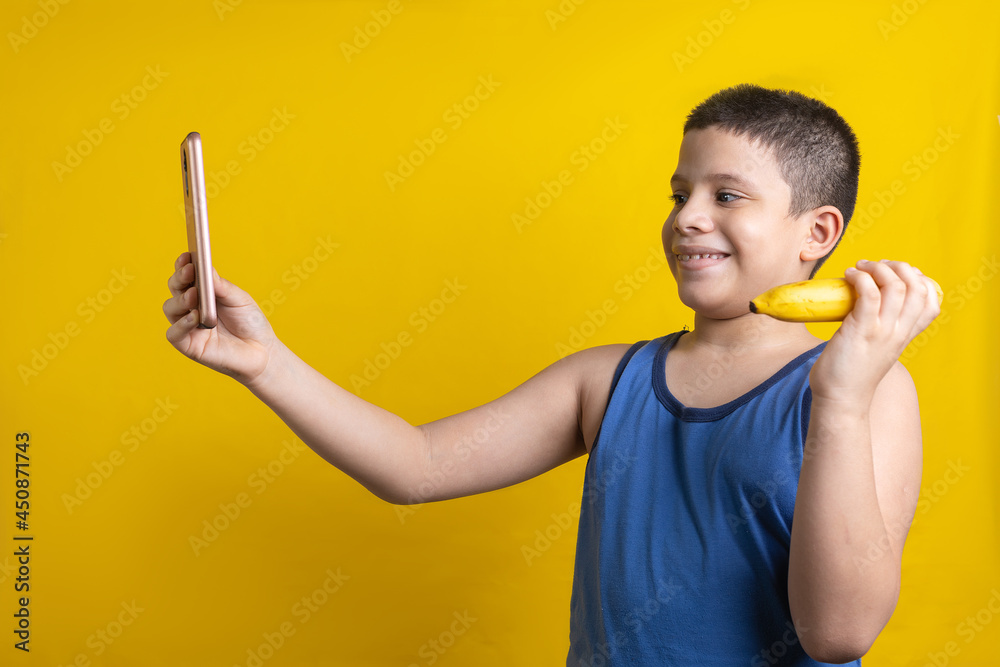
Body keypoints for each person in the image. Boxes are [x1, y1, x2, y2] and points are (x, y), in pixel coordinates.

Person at [163, 83, 940, 665]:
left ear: (819, 232)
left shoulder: (861, 389)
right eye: (679, 193)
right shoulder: (608, 381)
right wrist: (267, 364)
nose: (687, 217)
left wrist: (840, 399)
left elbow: (837, 633)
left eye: (726, 195)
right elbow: (416, 464)